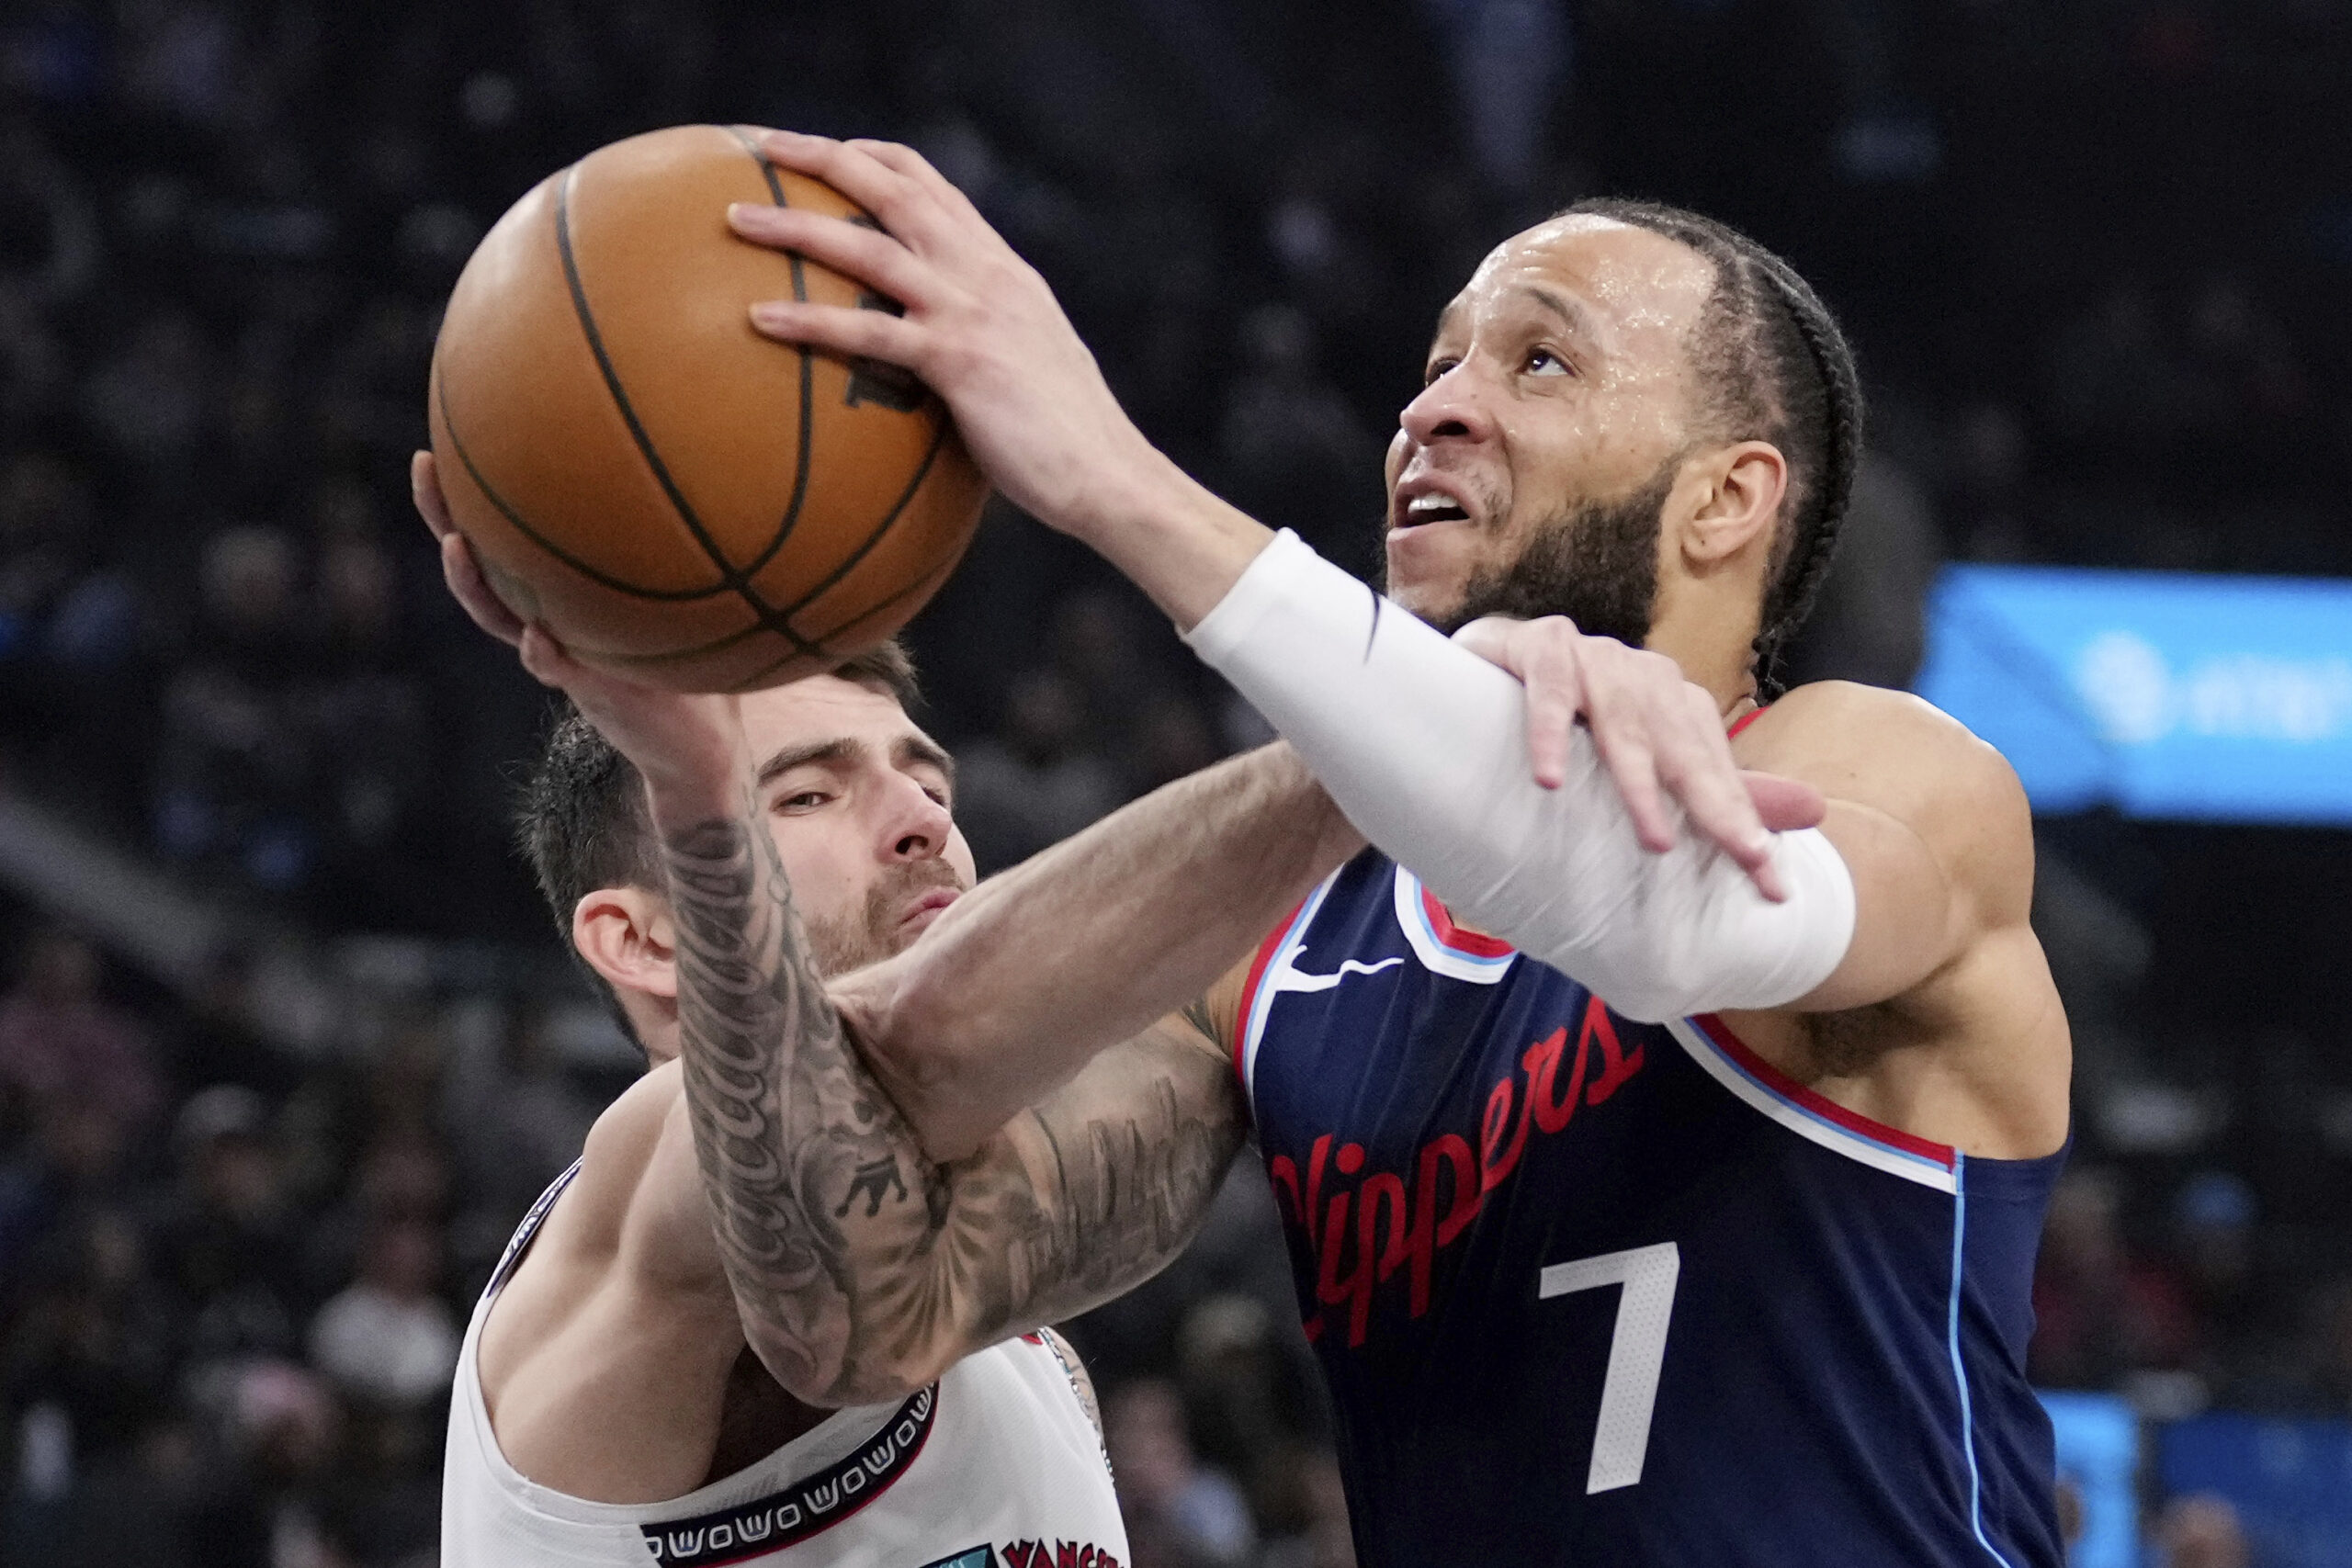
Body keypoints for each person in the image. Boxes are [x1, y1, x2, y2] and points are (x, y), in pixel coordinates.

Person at [696, 130, 2074, 1566]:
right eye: (1436, 366)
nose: (1437, 411)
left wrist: (1112, 475)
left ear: (1727, 498)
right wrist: (683, 776)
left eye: (1540, 363)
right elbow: (866, 1307)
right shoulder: (1282, 946)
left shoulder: (1899, 774)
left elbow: (1673, 928)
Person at [414, 457, 1269, 1567]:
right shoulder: (635, 1188)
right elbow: (845, 1087)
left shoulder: (1033, 1354)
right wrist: (1381, 729)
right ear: (644, 938)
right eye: (808, 793)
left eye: (929, 781)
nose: (919, 818)